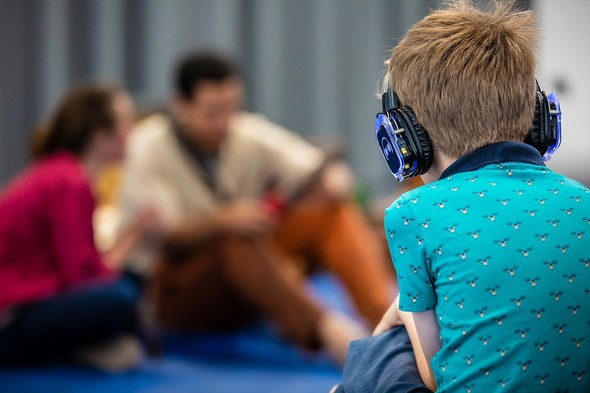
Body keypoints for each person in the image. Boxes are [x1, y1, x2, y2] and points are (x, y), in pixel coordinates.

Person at [334, 0, 590, 392]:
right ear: (539, 117)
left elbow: (434, 375)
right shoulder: (582, 199)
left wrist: (403, 312)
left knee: (379, 352)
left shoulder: (412, 212)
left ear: (402, 139)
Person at [118, 51, 396, 364]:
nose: (224, 122)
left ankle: (384, 324)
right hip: (178, 293)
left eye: (231, 108)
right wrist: (224, 220)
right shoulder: (147, 145)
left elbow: (316, 168)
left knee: (331, 212)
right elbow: (167, 239)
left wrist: (330, 182)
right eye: (212, 112)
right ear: (180, 105)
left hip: (247, 277)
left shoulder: (246, 132)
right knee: (235, 237)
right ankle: (335, 337)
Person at [0, 84, 157, 371]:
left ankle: (82, 347)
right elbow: (82, 276)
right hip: (12, 313)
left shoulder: (60, 173)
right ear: (101, 135)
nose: (132, 133)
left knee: (128, 285)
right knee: (123, 295)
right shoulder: (69, 181)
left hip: (28, 300)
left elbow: (80, 266)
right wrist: (133, 238)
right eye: (126, 123)